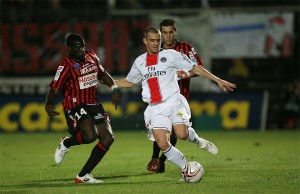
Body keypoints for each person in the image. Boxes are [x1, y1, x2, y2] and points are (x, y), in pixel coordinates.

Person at [115, 27, 236, 177]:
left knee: (181, 134)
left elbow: (195, 68)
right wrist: (110, 83)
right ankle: (187, 168)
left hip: (173, 101)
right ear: (145, 41)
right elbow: (129, 82)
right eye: (152, 40)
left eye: (158, 40)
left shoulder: (171, 55)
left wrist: (218, 80)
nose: (155, 43)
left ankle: (200, 142)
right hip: (155, 108)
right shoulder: (139, 62)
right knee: (163, 144)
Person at [45, 33, 121, 184]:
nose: (82, 50)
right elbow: (54, 88)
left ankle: (83, 175)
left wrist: (114, 88)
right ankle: (66, 143)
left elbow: (103, 74)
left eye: (83, 46)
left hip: (93, 104)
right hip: (74, 105)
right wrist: (48, 104)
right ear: (70, 48)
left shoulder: (92, 56)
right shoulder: (65, 66)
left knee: (108, 138)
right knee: (90, 136)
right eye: (78, 47)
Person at [146, 19, 207, 173]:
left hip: (180, 97)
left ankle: (161, 160)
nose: (167, 36)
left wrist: (188, 73)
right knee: (160, 129)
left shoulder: (186, 48)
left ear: (175, 32)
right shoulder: (155, 51)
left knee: (175, 132)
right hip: (160, 98)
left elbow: (199, 68)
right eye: (164, 33)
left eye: (170, 32)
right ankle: (155, 158)